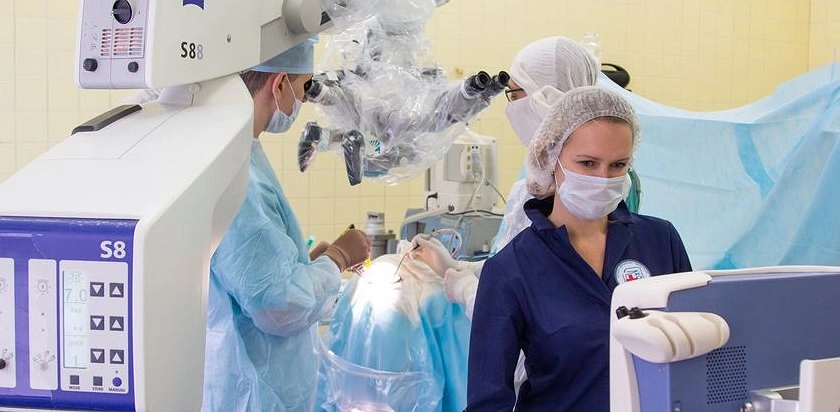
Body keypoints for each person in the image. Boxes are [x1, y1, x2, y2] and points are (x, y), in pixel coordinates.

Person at [465, 86, 692, 411]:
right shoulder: (512, 269)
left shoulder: (660, 241)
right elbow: (487, 403)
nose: (603, 178)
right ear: (550, 157)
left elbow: (694, 351)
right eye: (587, 163)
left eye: (618, 165)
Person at [201, 37, 372, 412]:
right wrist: (339, 257)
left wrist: (303, 265)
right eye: (304, 86)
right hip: (250, 392)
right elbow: (276, 304)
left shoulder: (229, 153)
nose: (305, 100)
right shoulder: (237, 174)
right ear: (278, 84)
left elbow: (247, 271)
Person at [412, 36, 600, 317]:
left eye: (514, 93)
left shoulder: (587, 192)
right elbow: (516, 269)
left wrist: (466, 289)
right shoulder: (536, 183)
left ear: (546, 97)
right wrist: (455, 267)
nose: (510, 107)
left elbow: (537, 307)